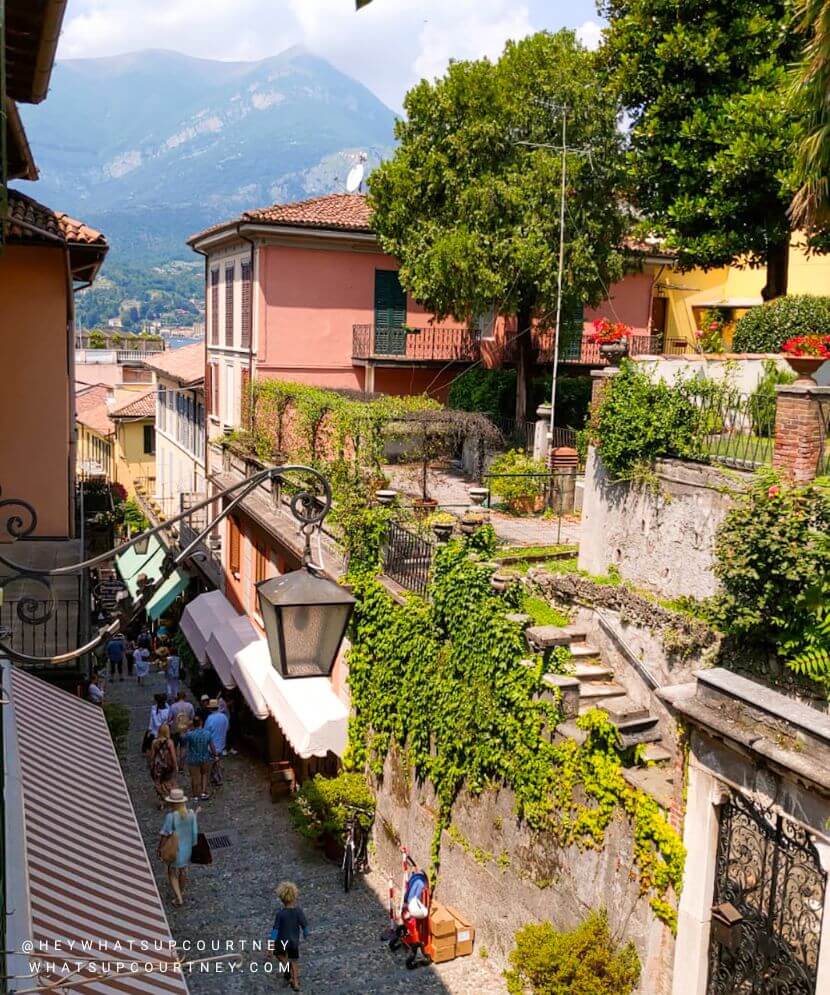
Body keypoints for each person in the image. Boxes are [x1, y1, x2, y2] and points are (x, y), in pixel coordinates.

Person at [158, 787, 199, 907]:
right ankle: (181, 891)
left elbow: (165, 834)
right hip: (187, 848)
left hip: (175, 848)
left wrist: (160, 848)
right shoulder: (191, 814)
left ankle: (178, 897)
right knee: (183, 870)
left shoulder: (171, 817)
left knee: (171, 872)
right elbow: (195, 832)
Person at [270, 881, 308, 991]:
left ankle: (287, 966)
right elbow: (304, 925)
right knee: (294, 960)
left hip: (282, 941)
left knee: (279, 954)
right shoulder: (298, 912)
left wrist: (271, 943)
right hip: (294, 942)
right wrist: (306, 933)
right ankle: (295, 982)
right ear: (295, 896)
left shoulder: (280, 914)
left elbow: (275, 930)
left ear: (282, 898)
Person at [182, 715, 216, 800]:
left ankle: (195, 794)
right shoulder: (207, 733)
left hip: (193, 759)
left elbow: (183, 738)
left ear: (193, 723)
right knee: (204, 775)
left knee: (194, 777)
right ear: (201, 722)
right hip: (205, 757)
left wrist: (188, 728)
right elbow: (212, 746)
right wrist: (215, 755)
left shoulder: (190, 734)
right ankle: (203, 792)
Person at [148, 723, 178, 807]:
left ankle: (162, 800)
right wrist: (176, 766)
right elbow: (173, 755)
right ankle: (171, 797)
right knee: (168, 781)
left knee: (158, 782)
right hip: (167, 765)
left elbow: (152, 755)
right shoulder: (169, 742)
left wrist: (151, 765)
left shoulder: (154, 742)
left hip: (158, 766)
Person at [169, 691, 195, 767]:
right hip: (185, 729)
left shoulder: (173, 706)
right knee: (183, 747)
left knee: (174, 747)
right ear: (185, 697)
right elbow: (192, 718)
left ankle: (175, 764)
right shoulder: (190, 706)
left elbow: (169, 719)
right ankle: (181, 766)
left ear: (177, 697)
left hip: (175, 730)